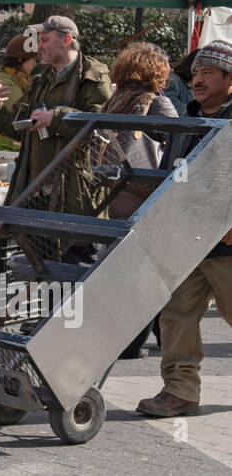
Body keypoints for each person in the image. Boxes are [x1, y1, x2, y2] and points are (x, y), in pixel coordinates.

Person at [136, 40, 232, 419]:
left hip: (227, 242)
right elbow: (169, 173)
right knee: (176, 317)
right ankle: (180, 391)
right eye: (195, 74)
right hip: (187, 241)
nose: (198, 80)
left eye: (208, 73)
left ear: (230, 79)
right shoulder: (186, 118)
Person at [100, 43, 177, 361]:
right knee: (147, 268)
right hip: (144, 190)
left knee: (123, 264)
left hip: (114, 187)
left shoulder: (114, 98)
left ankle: (137, 336)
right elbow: (179, 137)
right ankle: (135, 341)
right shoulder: (154, 101)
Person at [3, 16, 111, 223]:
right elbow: (19, 131)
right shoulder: (41, 81)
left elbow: (101, 126)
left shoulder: (93, 77)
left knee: (77, 252)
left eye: (45, 40)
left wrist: (56, 118)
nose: (39, 47)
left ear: (66, 40)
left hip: (77, 189)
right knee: (35, 250)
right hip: (37, 189)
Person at [0, 33, 39, 143]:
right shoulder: (8, 82)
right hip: (4, 141)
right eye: (32, 59)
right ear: (20, 59)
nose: (35, 63)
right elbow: (19, 115)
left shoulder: (12, 77)